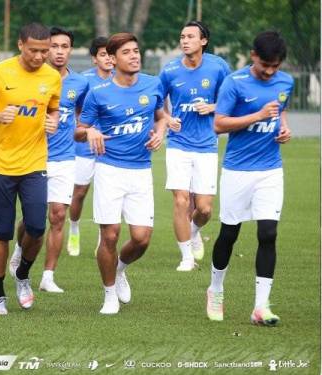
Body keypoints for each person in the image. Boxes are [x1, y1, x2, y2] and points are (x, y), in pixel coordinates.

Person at [76, 33, 172, 314]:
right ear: (113, 59)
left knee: (142, 238)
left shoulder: (153, 84)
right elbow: (78, 131)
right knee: (110, 236)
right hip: (109, 170)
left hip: (141, 171)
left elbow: (161, 116)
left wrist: (161, 133)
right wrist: (90, 130)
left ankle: (119, 269)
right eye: (127, 52)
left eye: (136, 51)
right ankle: (108, 295)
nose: (134, 56)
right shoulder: (99, 93)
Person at [0, 23, 61, 315]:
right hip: (1, 164)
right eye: (34, 50)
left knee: (36, 227)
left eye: (44, 51)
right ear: (21, 45)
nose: (39, 57)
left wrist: (54, 120)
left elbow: (54, 109)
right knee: (2, 231)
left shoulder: (52, 76)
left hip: (35, 163)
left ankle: (22, 274)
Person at [206, 31, 293, 326]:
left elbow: (280, 111)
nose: (270, 72)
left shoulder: (286, 82)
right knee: (229, 234)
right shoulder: (235, 82)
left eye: (276, 66)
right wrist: (256, 116)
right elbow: (219, 124)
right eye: (265, 64)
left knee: (268, 233)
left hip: (270, 169)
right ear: (253, 55)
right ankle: (216, 289)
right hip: (237, 171)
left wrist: (283, 128)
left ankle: (261, 306)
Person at [8, 27, 88, 293]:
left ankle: (48, 276)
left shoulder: (80, 84)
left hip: (64, 158)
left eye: (65, 46)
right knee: (33, 221)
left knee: (58, 215)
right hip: (33, 157)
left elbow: (79, 119)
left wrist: (86, 132)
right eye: (54, 46)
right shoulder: (30, 79)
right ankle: (20, 248)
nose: (59, 51)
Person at [159, 21, 231, 271]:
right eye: (182, 36)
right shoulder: (169, 70)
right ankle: (186, 258)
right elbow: (157, 103)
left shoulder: (218, 66)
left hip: (207, 145)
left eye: (190, 36)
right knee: (180, 201)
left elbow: (231, 97)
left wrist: (213, 107)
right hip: (178, 145)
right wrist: (168, 119)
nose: (184, 40)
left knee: (204, 209)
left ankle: (193, 230)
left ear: (203, 41)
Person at [67, 36, 113, 257]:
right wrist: (85, 130)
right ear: (95, 59)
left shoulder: (120, 80)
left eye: (110, 54)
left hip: (110, 148)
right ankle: (74, 229)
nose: (108, 59)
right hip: (85, 147)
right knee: (80, 193)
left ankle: (102, 240)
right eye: (103, 54)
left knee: (107, 195)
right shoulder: (84, 81)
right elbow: (76, 110)